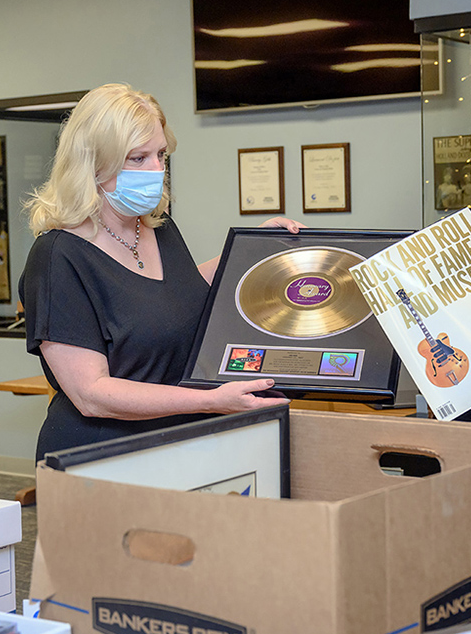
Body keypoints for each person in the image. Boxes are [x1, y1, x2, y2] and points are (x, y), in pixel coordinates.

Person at [20, 83, 301, 460]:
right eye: (138, 158)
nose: (156, 169)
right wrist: (211, 399)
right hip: (100, 456)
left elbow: (175, 292)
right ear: (92, 163)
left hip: (178, 443)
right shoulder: (57, 257)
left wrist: (250, 252)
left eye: (160, 155)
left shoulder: (157, 227)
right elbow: (92, 394)